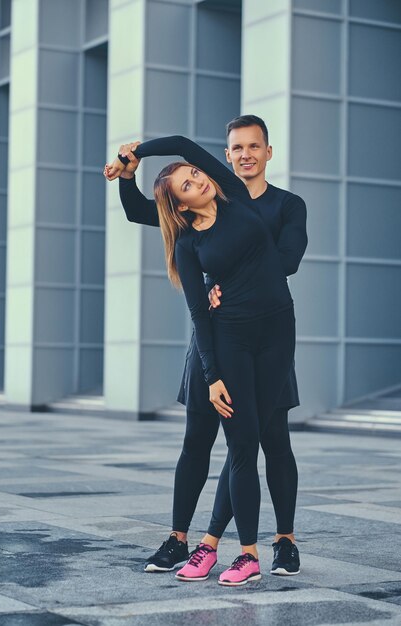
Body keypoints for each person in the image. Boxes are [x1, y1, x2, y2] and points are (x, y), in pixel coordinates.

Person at [106, 116, 307, 579]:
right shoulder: (211, 198)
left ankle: (283, 540)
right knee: (198, 438)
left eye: (254, 146)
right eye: (236, 148)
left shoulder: (284, 205)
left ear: (268, 153)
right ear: (228, 154)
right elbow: (146, 213)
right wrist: (128, 170)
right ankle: (181, 539)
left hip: (265, 330)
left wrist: (234, 285)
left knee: (269, 439)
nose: (245, 155)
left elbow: (286, 261)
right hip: (218, 336)